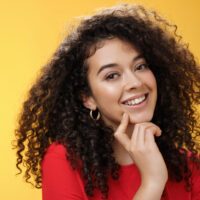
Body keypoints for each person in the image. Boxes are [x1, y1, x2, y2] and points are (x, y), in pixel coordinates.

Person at [14, 3, 200, 200]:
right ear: (87, 98)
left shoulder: (189, 167)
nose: (135, 82)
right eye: (112, 75)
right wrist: (153, 182)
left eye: (140, 66)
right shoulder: (64, 160)